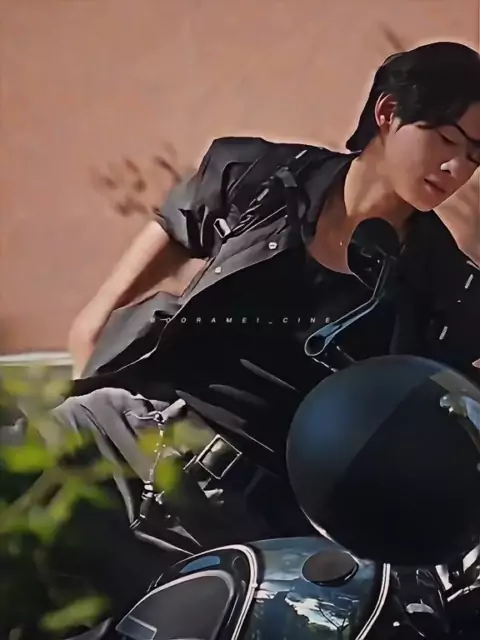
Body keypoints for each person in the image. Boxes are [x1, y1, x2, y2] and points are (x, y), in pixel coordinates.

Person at [58, 41, 480, 550]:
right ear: (388, 113)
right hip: (126, 430)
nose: (456, 168)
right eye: (446, 139)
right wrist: (95, 324)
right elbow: (176, 225)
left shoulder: (447, 288)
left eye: (474, 156)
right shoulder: (264, 175)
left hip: (249, 528)